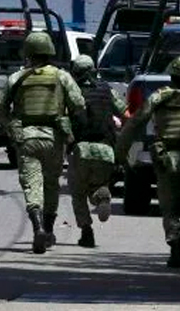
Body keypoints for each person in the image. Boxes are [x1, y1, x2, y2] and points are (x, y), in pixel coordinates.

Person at [117, 55, 180, 268]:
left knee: (170, 207)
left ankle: (175, 248)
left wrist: (121, 152)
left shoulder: (159, 97)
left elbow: (135, 122)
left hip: (166, 160)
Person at [0, 32, 86, 254]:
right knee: (51, 184)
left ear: (28, 53)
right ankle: (48, 229)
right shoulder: (61, 76)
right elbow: (79, 104)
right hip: (53, 139)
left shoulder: (18, 78)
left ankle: (37, 228)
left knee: (32, 185)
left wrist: (11, 128)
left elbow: (0, 107)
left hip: (26, 138)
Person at [68, 54, 128, 248]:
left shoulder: (73, 91)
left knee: (78, 192)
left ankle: (87, 232)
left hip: (81, 149)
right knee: (98, 185)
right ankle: (102, 196)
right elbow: (126, 114)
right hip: (106, 150)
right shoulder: (106, 90)